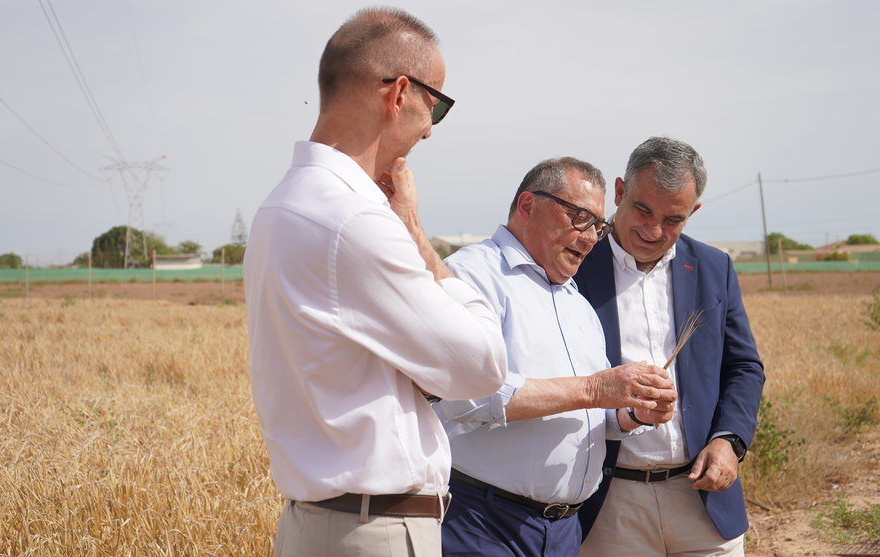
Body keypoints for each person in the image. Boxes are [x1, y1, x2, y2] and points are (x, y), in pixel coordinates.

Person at [242, 8, 509, 556]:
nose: (431, 128)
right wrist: (415, 232)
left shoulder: (279, 208)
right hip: (375, 530)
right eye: (436, 105)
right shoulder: (355, 222)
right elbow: (482, 365)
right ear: (399, 94)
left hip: (317, 524)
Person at [436, 157, 679, 557]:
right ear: (528, 206)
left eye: (598, 227)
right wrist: (596, 388)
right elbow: (468, 396)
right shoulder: (472, 276)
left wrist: (634, 411)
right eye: (579, 218)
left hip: (565, 529)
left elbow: (590, 416)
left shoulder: (574, 301)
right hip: (483, 522)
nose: (589, 238)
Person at [574, 137, 765, 556]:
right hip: (607, 504)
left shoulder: (715, 268)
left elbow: (744, 367)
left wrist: (728, 442)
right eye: (643, 209)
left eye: (673, 219)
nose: (654, 230)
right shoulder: (573, 266)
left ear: (692, 212)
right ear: (620, 193)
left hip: (702, 501)